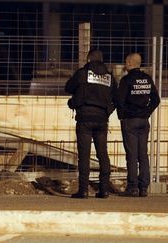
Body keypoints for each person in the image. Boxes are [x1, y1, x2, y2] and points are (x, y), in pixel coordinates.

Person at [65, 49, 118, 199]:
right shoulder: (109, 77)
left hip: (85, 118)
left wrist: (75, 101)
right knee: (103, 154)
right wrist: (108, 111)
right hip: (101, 119)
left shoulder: (82, 73)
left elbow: (68, 87)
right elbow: (117, 98)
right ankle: (104, 190)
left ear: (89, 60)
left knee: (84, 155)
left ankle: (83, 190)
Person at [117, 53, 160, 197]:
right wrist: (146, 112)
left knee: (132, 155)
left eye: (125, 62)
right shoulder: (147, 79)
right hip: (143, 120)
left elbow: (120, 101)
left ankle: (132, 187)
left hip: (130, 120)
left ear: (129, 63)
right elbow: (156, 99)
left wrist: (122, 116)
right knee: (143, 155)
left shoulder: (126, 80)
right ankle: (143, 188)